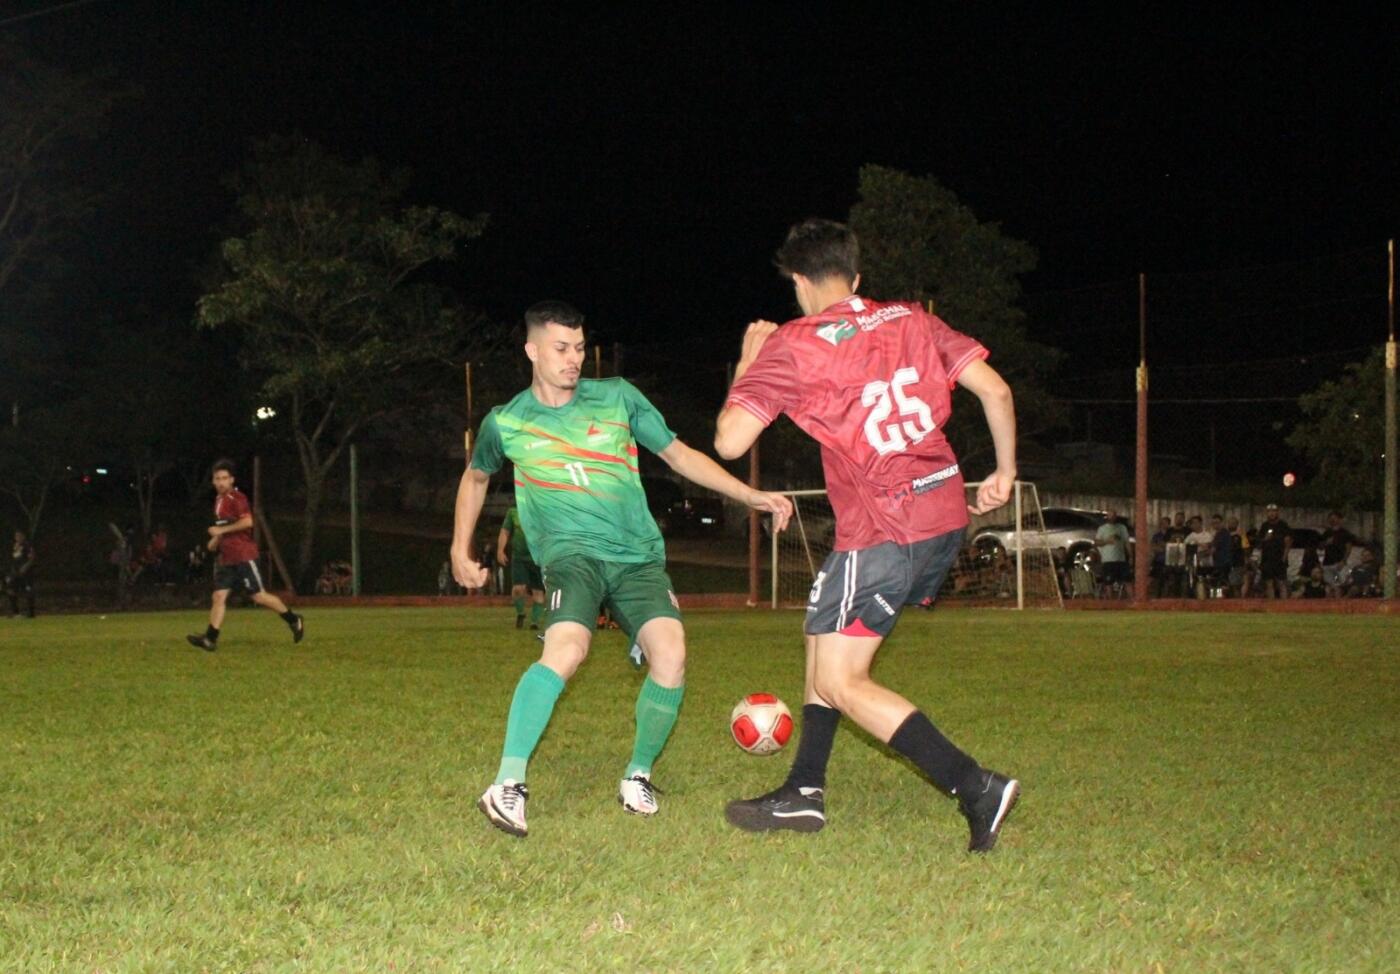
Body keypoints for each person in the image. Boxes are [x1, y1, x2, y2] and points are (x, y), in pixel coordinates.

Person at [715, 218, 1020, 853]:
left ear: (799, 282)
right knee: (820, 635)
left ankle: (976, 786)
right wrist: (1004, 471)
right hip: (941, 512)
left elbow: (730, 441)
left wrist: (747, 365)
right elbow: (995, 389)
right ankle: (804, 790)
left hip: (883, 527)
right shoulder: (912, 319)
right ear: (855, 279)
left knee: (840, 681)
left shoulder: (795, 343)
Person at [451, 300, 793, 838]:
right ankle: (507, 784)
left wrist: (749, 494)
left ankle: (638, 774)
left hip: (636, 557)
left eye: (579, 348)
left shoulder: (618, 398)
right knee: (566, 649)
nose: (573, 359)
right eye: (561, 349)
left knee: (671, 655)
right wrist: (459, 548)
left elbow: (679, 455)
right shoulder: (507, 421)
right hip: (570, 557)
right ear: (532, 350)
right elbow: (475, 478)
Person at [185, 459, 305, 651]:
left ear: (231, 480)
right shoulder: (218, 501)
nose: (221, 482)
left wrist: (220, 531)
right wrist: (215, 540)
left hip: (243, 555)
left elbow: (248, 522)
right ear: (213, 481)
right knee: (218, 596)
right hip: (226, 558)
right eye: (218, 479)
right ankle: (210, 639)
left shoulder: (237, 498)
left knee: (259, 597)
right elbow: (224, 529)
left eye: (225, 478)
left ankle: (293, 619)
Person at [498, 506, 545, 629]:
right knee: (518, 589)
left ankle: (534, 622)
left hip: (538, 558)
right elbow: (505, 531)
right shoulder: (513, 511)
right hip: (519, 558)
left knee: (538, 592)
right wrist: (500, 550)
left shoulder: (543, 508)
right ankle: (521, 613)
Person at [1255, 503, 1292, 600]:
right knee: (1269, 583)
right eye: (1269, 511)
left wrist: (1284, 557)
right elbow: (1259, 543)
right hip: (1267, 559)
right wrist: (1265, 539)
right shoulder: (1264, 526)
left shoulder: (1283, 525)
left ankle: (1284, 604)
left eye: (1274, 511)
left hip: (1279, 558)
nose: (1271, 513)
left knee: (1281, 582)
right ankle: (1272, 605)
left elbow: (1288, 542)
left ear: (1277, 512)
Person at [1317, 511, 1357, 598]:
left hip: (1339, 562)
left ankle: (1340, 602)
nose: (1332, 520)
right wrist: (1326, 543)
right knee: (1329, 586)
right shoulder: (1327, 533)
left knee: (1340, 585)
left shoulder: (1345, 533)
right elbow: (1320, 547)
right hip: (1327, 563)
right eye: (1330, 518)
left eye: (1334, 518)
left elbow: (1348, 548)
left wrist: (1343, 561)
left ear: (1340, 519)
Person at [1093, 509, 1131, 598]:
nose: (1112, 518)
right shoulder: (1102, 529)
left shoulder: (1122, 528)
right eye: (1110, 515)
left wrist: (1130, 556)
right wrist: (1107, 541)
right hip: (1108, 560)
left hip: (1121, 560)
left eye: (1114, 515)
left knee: (1128, 581)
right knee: (1108, 582)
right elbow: (1096, 543)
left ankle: (1133, 600)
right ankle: (1111, 602)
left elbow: (1126, 542)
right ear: (1107, 517)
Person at [7, 529, 36, 618]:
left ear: (23, 536)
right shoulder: (15, 546)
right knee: (10, 590)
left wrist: (25, 567)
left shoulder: (27, 545)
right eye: (16, 536)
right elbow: (14, 559)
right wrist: (11, 572)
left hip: (26, 573)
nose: (17, 538)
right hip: (15, 573)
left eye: (19, 536)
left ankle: (31, 613)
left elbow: (32, 558)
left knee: (28, 590)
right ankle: (16, 613)